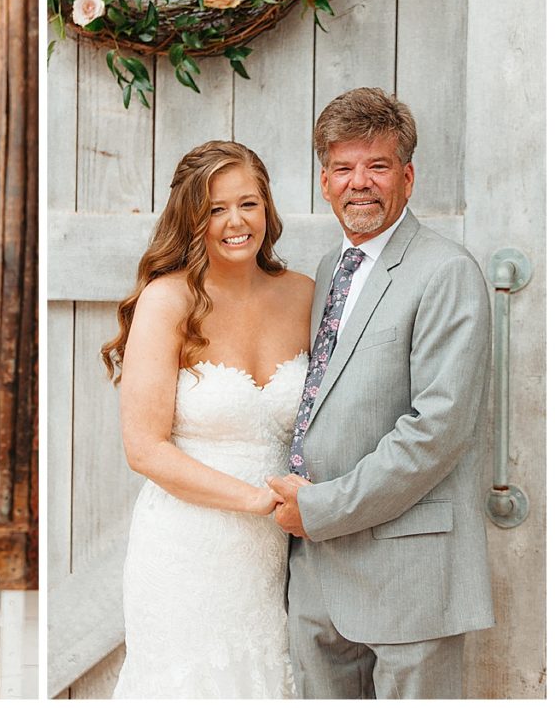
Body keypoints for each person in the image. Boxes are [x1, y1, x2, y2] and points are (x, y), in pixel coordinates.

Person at [267, 87, 494, 699]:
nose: (359, 183)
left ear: (408, 176)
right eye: (343, 167)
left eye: (378, 165)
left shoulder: (446, 271)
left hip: (409, 575)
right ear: (324, 181)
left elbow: (436, 430)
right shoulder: (323, 273)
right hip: (319, 581)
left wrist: (321, 510)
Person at [100, 141, 314, 698]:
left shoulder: (305, 297)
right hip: (188, 550)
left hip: (276, 554)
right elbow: (144, 449)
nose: (236, 222)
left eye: (248, 203)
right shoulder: (167, 300)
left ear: (267, 207)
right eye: (216, 209)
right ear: (191, 218)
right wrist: (254, 500)